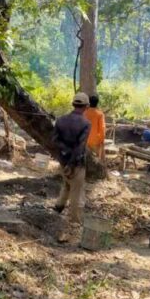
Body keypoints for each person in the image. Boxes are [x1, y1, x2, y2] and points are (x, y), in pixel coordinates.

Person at [52, 92, 91, 239]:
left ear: (73, 104)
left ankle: (58, 207)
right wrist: (72, 163)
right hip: (76, 163)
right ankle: (74, 223)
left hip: (63, 160)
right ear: (86, 106)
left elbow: (55, 140)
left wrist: (65, 155)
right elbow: (80, 147)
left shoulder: (61, 120)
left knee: (67, 184)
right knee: (76, 192)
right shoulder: (86, 123)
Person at [85, 94, 106, 161]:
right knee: (97, 161)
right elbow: (102, 128)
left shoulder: (84, 113)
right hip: (95, 141)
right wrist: (102, 140)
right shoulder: (99, 114)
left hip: (84, 141)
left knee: (86, 160)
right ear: (97, 103)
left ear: (89, 103)